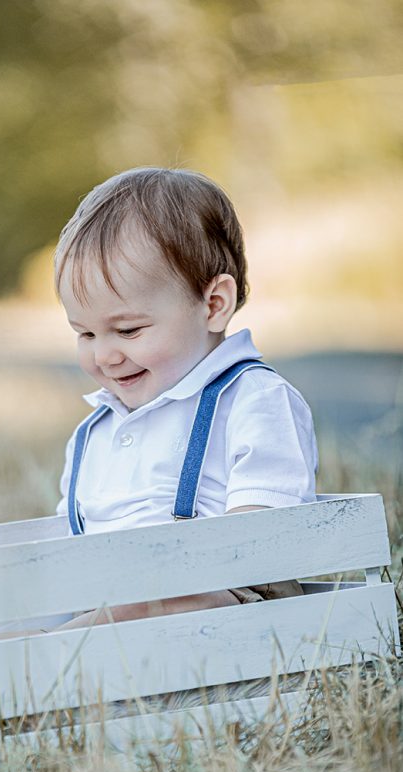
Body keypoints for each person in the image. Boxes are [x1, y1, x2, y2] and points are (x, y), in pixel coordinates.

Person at [53, 167, 318, 629]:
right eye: (85, 333)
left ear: (214, 305)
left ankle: (44, 666)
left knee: (135, 609)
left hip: (234, 603)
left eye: (128, 330)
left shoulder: (253, 399)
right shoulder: (97, 428)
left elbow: (266, 540)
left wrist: (154, 578)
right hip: (112, 603)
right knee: (13, 625)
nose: (105, 356)